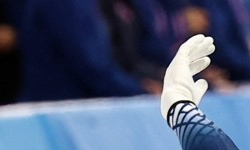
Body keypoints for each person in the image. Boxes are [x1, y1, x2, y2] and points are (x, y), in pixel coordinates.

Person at [17, 0, 156, 101]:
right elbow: (91, 67)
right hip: (63, 113)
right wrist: (140, 91)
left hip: (67, 111)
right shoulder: (68, 4)